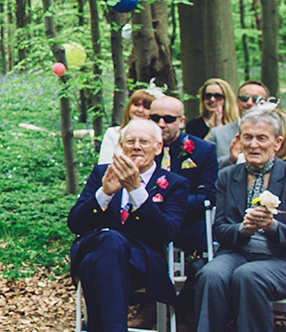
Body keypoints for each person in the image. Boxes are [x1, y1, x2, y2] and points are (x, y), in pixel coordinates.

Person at [68, 118, 189, 332]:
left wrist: (137, 191)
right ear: (120, 146)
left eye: (144, 142)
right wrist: (105, 193)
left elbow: (166, 233)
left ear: (158, 147)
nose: (136, 147)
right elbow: (75, 223)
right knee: (109, 244)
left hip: (140, 264)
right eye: (130, 141)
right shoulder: (101, 173)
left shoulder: (174, 184)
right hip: (97, 250)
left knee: (107, 259)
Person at [184, 106, 286, 332]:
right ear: (239, 140)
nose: (254, 144)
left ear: (277, 142)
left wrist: (272, 226)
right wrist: (241, 229)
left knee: (249, 276)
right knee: (211, 274)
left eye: (262, 138)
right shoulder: (228, 176)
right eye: (248, 137)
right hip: (237, 250)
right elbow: (219, 230)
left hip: (279, 259)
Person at [149, 94, 217, 254]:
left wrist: (170, 204)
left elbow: (208, 195)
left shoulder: (203, 150)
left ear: (181, 121)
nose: (161, 124)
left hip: (186, 221)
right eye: (155, 118)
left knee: (206, 235)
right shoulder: (140, 147)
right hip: (147, 221)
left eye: (169, 119)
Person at [207, 80, 269, 169]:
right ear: (237, 101)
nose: (249, 103)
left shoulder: (277, 133)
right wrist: (230, 159)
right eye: (244, 98)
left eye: (256, 99)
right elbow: (206, 166)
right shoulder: (218, 133)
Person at [98, 88, 156, 165]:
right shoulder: (113, 133)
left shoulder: (156, 137)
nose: (140, 110)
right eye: (136, 105)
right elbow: (104, 165)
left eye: (146, 107)